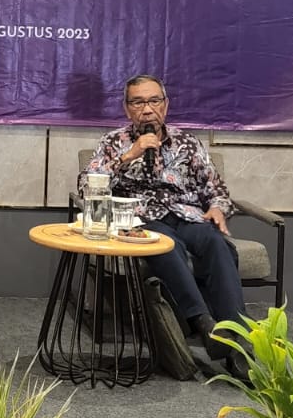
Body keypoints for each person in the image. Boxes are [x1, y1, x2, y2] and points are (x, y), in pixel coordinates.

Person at [79, 73, 245, 374]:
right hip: (142, 218)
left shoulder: (188, 142)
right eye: (138, 102)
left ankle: (238, 340)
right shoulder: (113, 142)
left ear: (165, 105)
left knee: (217, 244)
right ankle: (202, 323)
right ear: (127, 108)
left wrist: (217, 208)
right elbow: (87, 187)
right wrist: (130, 155)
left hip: (188, 214)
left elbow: (216, 189)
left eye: (154, 101)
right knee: (165, 246)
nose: (147, 109)